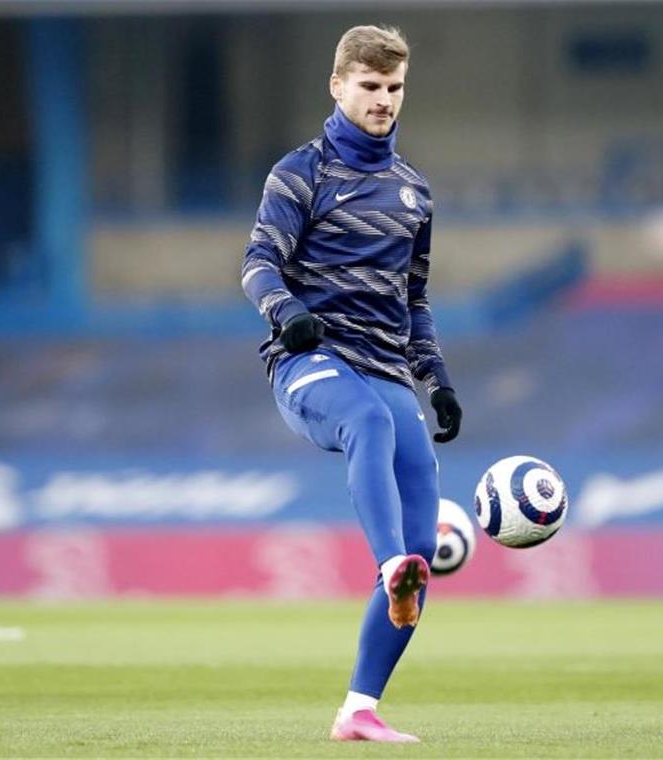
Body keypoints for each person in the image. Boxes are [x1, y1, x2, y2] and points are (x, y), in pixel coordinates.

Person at [240, 25, 461, 741]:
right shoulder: (300, 173)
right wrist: (289, 313)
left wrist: (437, 380)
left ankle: (359, 708)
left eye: (394, 88)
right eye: (370, 87)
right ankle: (387, 561)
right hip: (310, 363)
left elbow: (414, 301)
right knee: (367, 423)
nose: (384, 101)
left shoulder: (414, 192)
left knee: (424, 548)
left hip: (386, 365)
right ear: (337, 86)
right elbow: (258, 266)